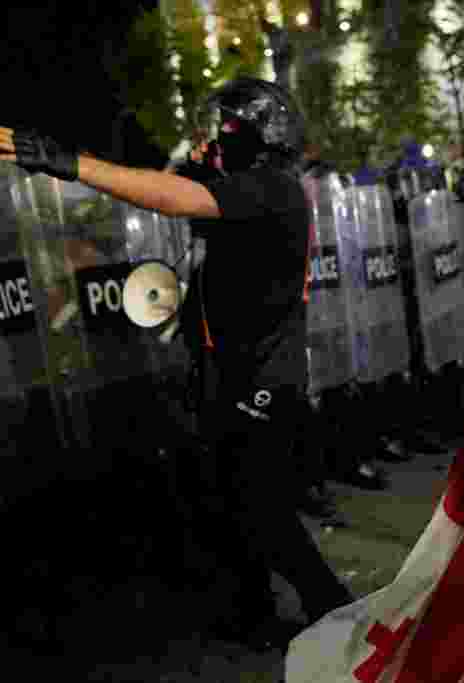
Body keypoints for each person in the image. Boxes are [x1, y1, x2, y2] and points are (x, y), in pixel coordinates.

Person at [0, 77, 354, 650]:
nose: (209, 143)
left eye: (221, 133)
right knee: (228, 501)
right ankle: (254, 617)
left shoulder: (273, 189)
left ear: (252, 135)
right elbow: (158, 186)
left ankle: (336, 610)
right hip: (228, 372)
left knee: (261, 509)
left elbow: (171, 197)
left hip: (264, 380)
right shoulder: (240, 185)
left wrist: (67, 162)